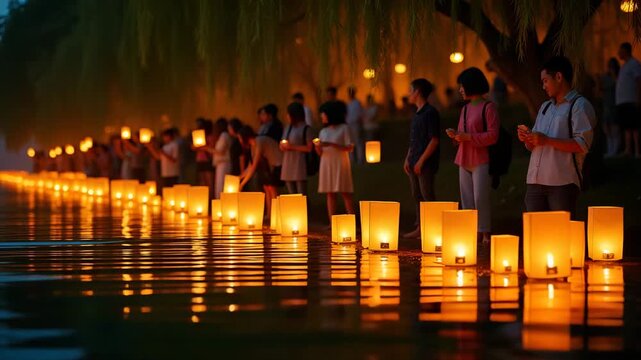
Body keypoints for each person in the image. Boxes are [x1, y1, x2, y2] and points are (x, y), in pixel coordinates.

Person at [517, 56, 596, 217]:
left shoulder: (579, 106)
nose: (543, 86)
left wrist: (546, 140)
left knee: (561, 235)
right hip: (535, 180)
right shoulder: (546, 107)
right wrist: (528, 139)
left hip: (561, 182)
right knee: (536, 234)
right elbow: (535, 145)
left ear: (559, 77)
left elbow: (582, 144)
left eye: (545, 80)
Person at [447, 67, 499, 243]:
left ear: (470, 85)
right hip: (464, 158)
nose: (460, 90)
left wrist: (468, 137)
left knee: (480, 197)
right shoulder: (465, 109)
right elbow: (463, 134)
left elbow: (493, 135)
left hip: (481, 159)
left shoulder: (488, 107)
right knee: (467, 198)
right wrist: (456, 135)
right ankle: (472, 231)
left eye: (462, 86)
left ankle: (485, 232)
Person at [403, 79, 441, 238]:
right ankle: (421, 227)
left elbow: (434, 139)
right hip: (414, 161)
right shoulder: (417, 114)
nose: (408, 94)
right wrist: (408, 158)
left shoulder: (430, 113)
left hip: (425, 163)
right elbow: (414, 139)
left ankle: (433, 229)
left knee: (427, 195)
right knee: (417, 194)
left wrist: (421, 161)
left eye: (410, 90)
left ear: (417, 91)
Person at [315, 100, 355, 223]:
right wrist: (318, 147)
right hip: (326, 163)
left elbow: (349, 147)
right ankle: (332, 222)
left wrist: (330, 144)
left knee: (345, 191)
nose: (322, 116)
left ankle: (352, 220)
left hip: (340, 163)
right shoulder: (323, 131)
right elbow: (320, 153)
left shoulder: (344, 128)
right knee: (330, 192)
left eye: (324, 114)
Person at [239, 126, 283, 218]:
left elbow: (254, 165)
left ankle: (275, 214)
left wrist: (242, 183)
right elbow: (250, 166)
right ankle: (269, 213)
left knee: (272, 188)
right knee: (266, 188)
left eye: (240, 137)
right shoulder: (253, 145)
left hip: (277, 165)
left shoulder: (259, 141)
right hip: (269, 167)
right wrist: (239, 177)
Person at [280, 102, 314, 195]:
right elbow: (283, 141)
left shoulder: (306, 128)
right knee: (292, 194)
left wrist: (292, 147)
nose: (287, 116)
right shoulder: (288, 128)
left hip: (299, 164)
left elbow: (309, 148)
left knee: (301, 194)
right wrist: (283, 146)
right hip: (288, 163)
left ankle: (305, 209)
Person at [615, 42, 641, 158]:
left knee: (634, 126)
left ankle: (637, 151)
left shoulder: (634, 64)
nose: (618, 53)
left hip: (631, 100)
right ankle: (628, 150)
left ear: (626, 50)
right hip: (622, 101)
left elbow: (639, 81)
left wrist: (638, 98)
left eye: (620, 50)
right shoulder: (624, 66)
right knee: (626, 127)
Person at [601, 58, 620, 157]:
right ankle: (610, 150)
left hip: (615, 105)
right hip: (607, 105)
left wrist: (614, 75)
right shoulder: (605, 77)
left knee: (614, 128)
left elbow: (617, 84)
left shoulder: (618, 77)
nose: (611, 68)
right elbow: (601, 87)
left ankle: (614, 151)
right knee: (606, 128)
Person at [210, 118, 232, 199]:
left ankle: (221, 205)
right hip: (220, 164)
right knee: (219, 185)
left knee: (221, 185)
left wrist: (205, 148)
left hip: (224, 164)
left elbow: (220, 151)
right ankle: (219, 206)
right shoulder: (222, 136)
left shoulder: (224, 135)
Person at [193, 118, 215, 196]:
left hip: (207, 160)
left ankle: (211, 198)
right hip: (200, 160)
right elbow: (194, 147)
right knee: (202, 181)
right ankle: (203, 198)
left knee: (209, 181)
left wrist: (202, 147)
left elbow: (211, 148)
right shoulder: (198, 135)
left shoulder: (210, 137)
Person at [346, 86, 364, 164]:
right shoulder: (348, 104)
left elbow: (359, 114)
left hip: (355, 124)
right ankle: (351, 159)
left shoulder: (357, 103)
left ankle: (360, 158)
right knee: (350, 142)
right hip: (349, 125)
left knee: (357, 141)